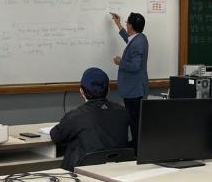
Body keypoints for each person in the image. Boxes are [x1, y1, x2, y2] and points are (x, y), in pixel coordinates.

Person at [48, 67, 130, 171]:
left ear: (81, 91)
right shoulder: (123, 112)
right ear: (108, 90)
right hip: (116, 172)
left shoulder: (76, 116)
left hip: (83, 173)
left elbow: (56, 136)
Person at [110, 11, 149, 148]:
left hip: (134, 90)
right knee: (135, 120)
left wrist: (120, 62)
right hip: (135, 88)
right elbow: (129, 39)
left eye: (127, 23)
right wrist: (118, 24)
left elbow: (135, 66)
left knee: (134, 120)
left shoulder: (137, 43)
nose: (126, 25)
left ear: (131, 26)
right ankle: (136, 145)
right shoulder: (140, 38)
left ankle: (137, 149)